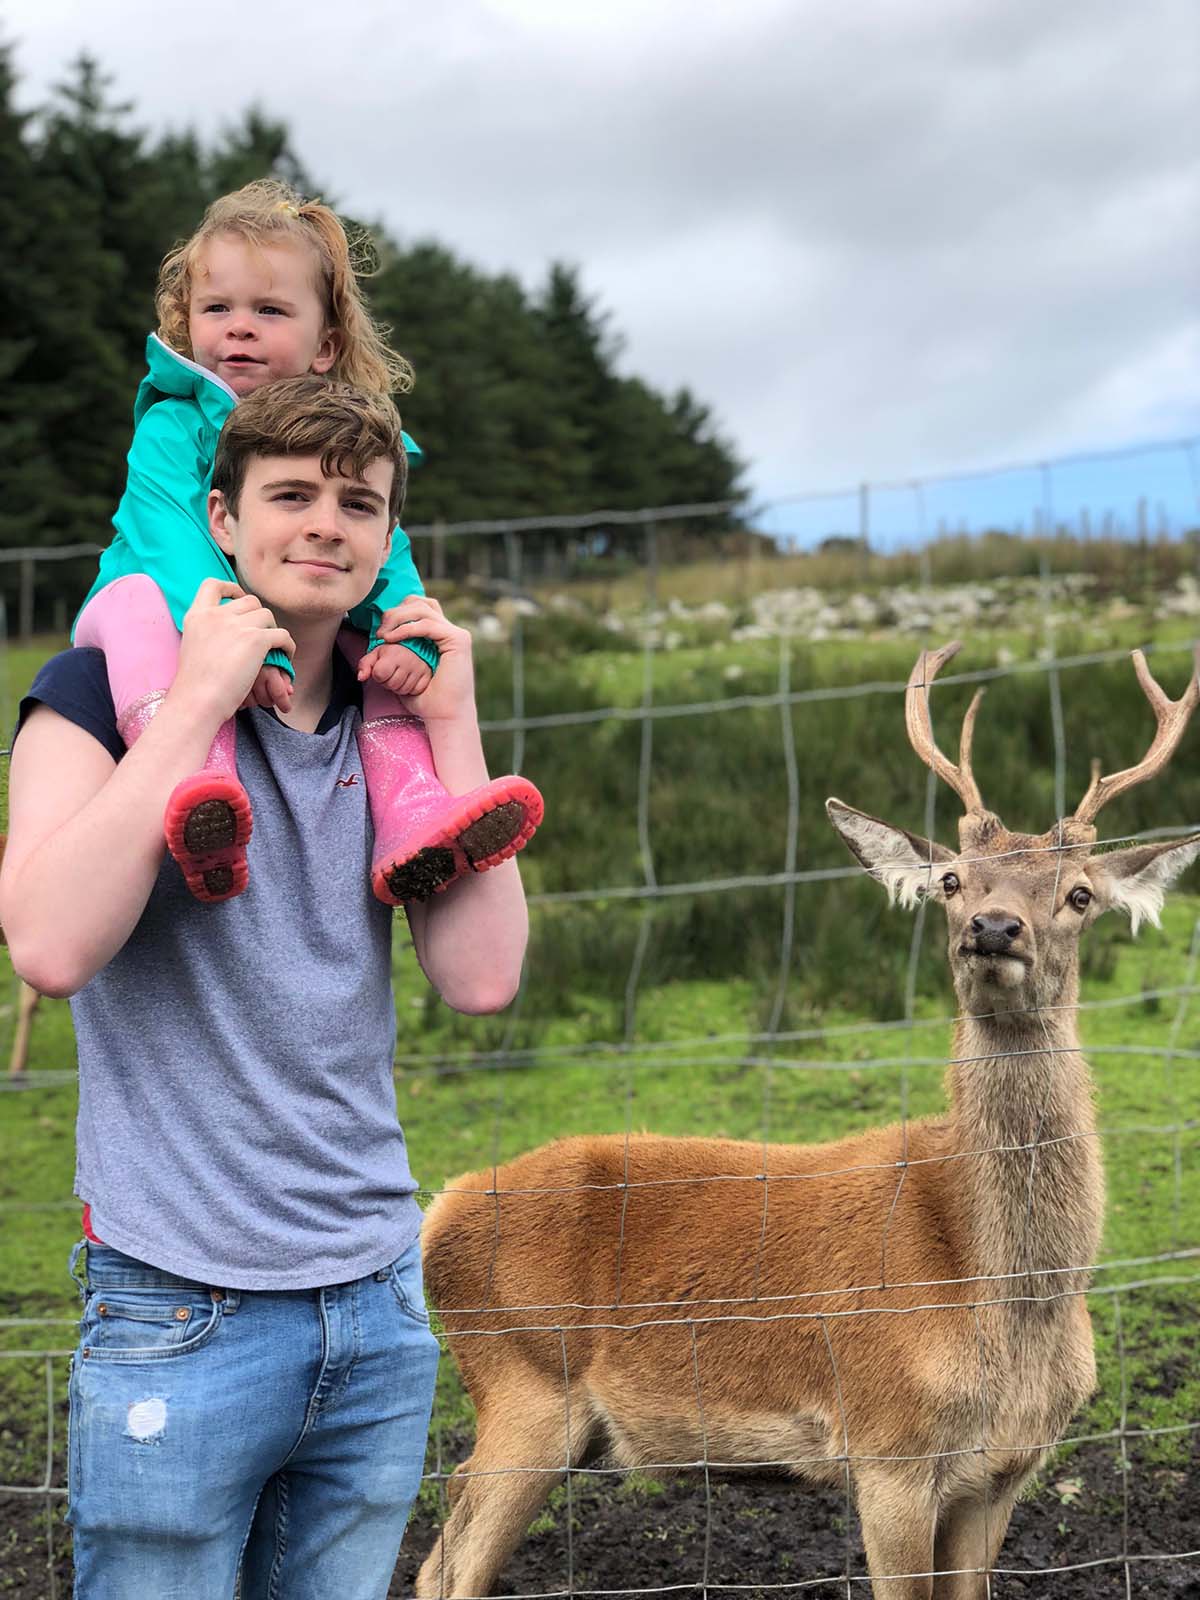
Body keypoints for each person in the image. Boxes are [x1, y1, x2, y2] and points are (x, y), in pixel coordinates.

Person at [0, 375, 530, 1597]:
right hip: (178, 1307)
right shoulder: (92, 694)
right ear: (223, 519)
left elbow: (485, 977)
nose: (325, 525)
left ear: (390, 538)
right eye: (289, 495)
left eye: (360, 503)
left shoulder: (394, 725)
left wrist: (459, 733)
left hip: (376, 1304)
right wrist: (191, 707)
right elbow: (49, 945)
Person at [73, 178, 541, 905]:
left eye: (269, 309)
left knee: (372, 656)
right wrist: (246, 639)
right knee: (137, 606)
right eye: (217, 307)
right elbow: (168, 535)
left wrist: (408, 635)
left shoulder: (341, 442)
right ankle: (208, 790)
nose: (239, 326)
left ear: (326, 344)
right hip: (155, 611)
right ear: (187, 320)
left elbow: (386, 549)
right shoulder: (173, 424)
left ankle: (412, 814)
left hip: (274, 631)